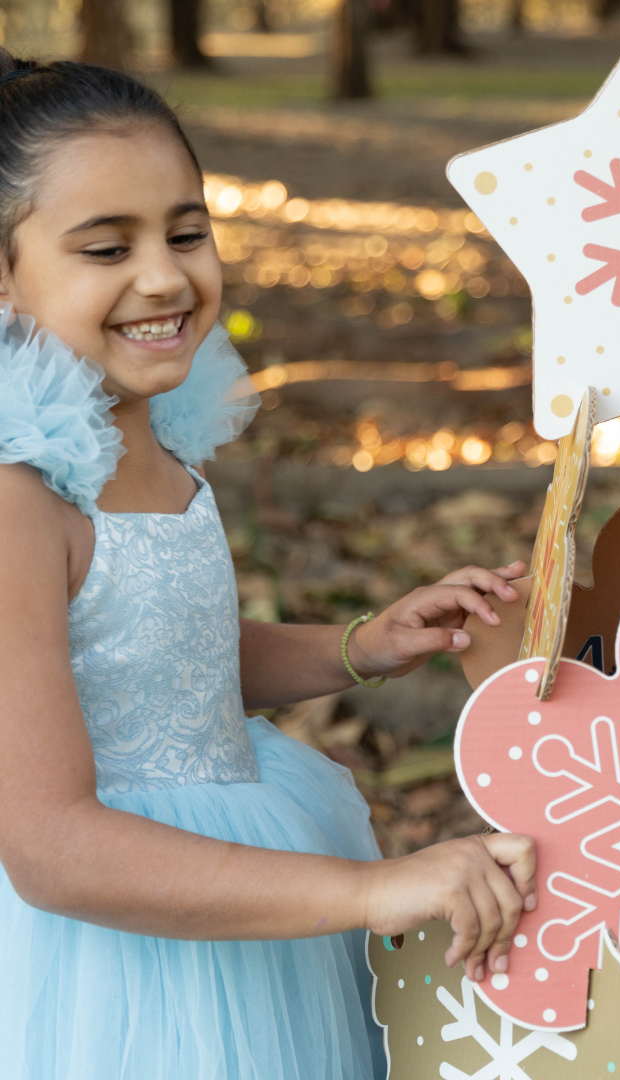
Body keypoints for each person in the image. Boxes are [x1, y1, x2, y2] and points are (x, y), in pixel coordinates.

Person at [0, 49, 534, 1080]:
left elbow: (157, 661)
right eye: (106, 248)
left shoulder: (148, 439)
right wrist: (368, 893)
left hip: (242, 888)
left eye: (187, 232)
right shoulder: (21, 497)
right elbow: (49, 846)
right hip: (115, 957)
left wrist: (357, 647)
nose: (164, 276)